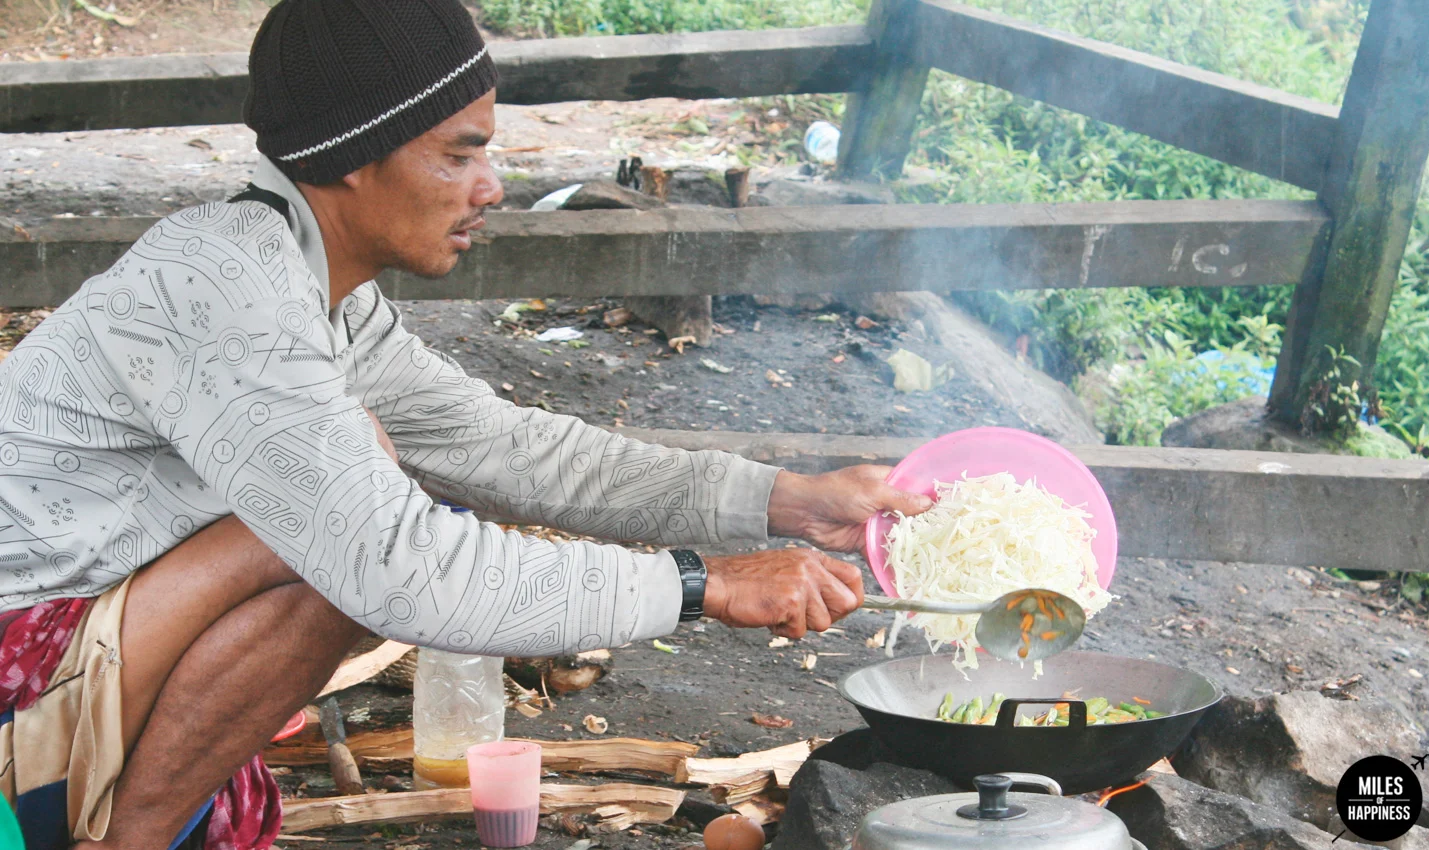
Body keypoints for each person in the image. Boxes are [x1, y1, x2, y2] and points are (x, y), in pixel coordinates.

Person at [0, 1, 934, 847]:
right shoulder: (222, 289)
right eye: (460, 152)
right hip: (18, 680)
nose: (489, 187)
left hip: (98, 650)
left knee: (358, 517)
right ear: (352, 158)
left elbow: (512, 450)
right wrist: (704, 586)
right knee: (357, 548)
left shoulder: (310, 286)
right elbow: (405, 572)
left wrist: (788, 501)